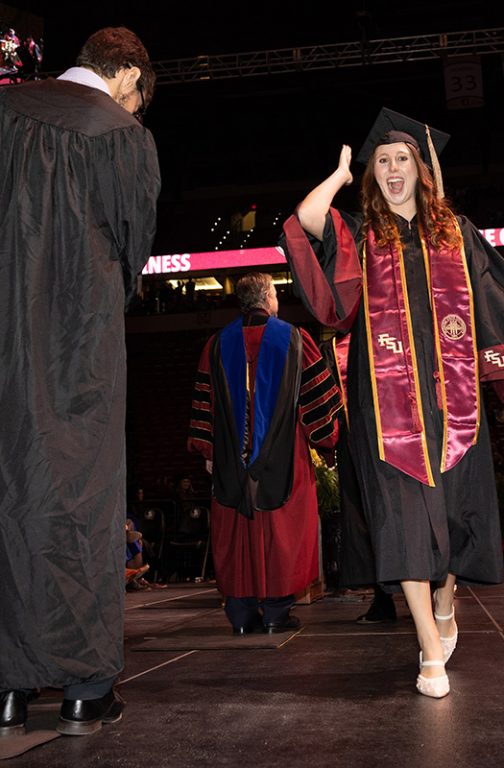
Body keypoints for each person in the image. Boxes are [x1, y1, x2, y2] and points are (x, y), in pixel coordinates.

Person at [280, 108, 504, 698]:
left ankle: (445, 602)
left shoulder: (454, 232)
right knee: (402, 519)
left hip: (451, 399)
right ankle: (429, 651)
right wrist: (337, 175)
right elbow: (307, 221)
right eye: (380, 161)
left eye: (401, 158)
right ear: (373, 174)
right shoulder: (359, 234)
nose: (391, 168)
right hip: (385, 407)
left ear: (422, 169)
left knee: (454, 512)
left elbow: (491, 297)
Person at [0, 27, 160, 738]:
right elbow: (132, 247)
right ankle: (85, 686)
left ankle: (7, 687)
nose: (137, 106)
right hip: (78, 341)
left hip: (6, 339)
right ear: (124, 70)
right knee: (83, 494)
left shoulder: (4, 110)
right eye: (139, 93)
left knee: (10, 496)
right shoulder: (118, 134)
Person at [188, 273, 342, 635]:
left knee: (237, 533)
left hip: (229, 460)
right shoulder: (294, 339)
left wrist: (210, 452)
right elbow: (318, 408)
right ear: (269, 299)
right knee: (283, 532)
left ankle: (241, 617)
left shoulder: (215, 345)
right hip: (285, 456)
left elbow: (203, 408)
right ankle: (276, 613)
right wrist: (326, 438)